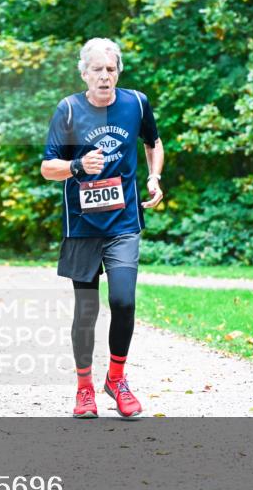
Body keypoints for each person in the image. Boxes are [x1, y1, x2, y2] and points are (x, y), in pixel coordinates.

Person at [40, 38, 164, 419]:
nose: (105, 76)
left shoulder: (136, 103)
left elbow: (154, 142)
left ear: (118, 72)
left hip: (124, 222)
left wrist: (154, 177)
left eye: (111, 69)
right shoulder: (69, 111)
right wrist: (78, 167)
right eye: (97, 70)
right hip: (82, 226)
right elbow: (48, 168)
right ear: (84, 74)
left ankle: (116, 378)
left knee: (124, 301)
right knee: (86, 311)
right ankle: (84, 389)